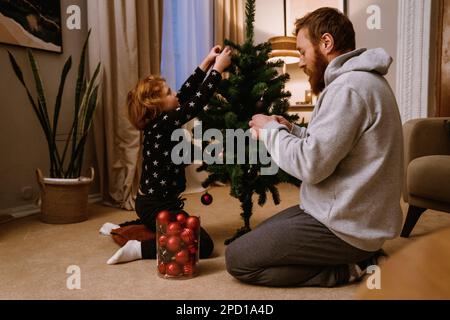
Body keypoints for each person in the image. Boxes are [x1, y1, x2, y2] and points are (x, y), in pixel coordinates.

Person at [228, 7, 404, 287]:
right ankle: (360, 255)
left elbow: (311, 166)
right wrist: (291, 129)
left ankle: (349, 268)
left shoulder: (348, 88)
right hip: (344, 215)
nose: (300, 61)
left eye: (301, 51)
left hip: (348, 227)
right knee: (259, 238)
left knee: (238, 258)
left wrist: (271, 131)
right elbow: (336, 145)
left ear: (326, 43)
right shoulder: (358, 82)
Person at [100, 45, 233, 265]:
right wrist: (217, 70)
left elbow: (187, 92)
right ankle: (139, 248)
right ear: (156, 107)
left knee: (170, 225)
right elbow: (196, 102)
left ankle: (123, 228)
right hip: (155, 206)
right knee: (204, 245)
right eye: (169, 93)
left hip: (151, 205)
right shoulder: (163, 124)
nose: (175, 93)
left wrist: (207, 62)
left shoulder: (160, 122)